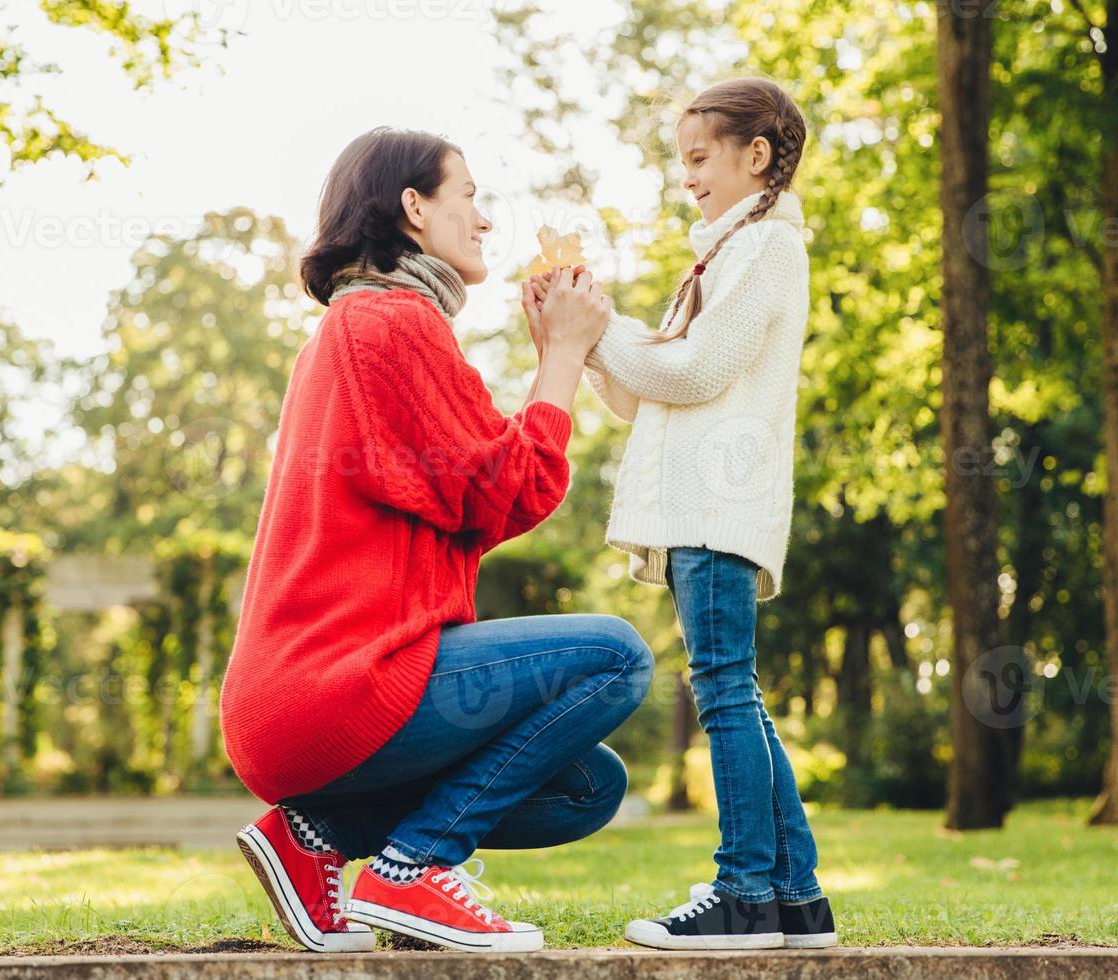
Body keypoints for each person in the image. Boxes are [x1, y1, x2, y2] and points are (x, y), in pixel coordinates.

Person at [219, 127, 654, 954]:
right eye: (470, 198)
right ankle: (414, 868)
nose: (485, 221)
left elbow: (473, 499)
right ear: (413, 208)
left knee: (588, 787)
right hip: (342, 685)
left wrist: (549, 360)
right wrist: (561, 354)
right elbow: (511, 489)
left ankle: (311, 835)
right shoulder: (392, 323)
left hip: (300, 700)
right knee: (617, 657)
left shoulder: (354, 330)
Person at [529, 77, 837, 951]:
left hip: (716, 505)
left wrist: (599, 324)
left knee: (726, 694)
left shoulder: (766, 252)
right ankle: (796, 897)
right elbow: (643, 396)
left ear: (757, 156)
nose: (687, 178)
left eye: (699, 159)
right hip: (699, 508)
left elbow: (695, 374)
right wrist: (582, 340)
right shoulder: (720, 256)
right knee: (738, 691)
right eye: (682, 163)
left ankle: (744, 892)